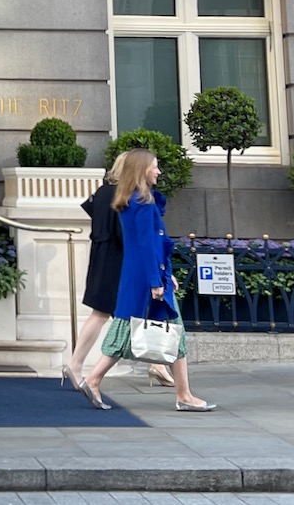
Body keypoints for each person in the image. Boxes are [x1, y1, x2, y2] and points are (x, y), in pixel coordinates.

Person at [79, 147, 217, 412]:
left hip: (136, 276)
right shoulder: (143, 203)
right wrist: (158, 281)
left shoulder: (130, 200)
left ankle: (94, 379)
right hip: (147, 278)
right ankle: (184, 395)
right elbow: (148, 244)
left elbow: (146, 245)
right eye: (155, 166)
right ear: (142, 170)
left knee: (125, 331)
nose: (159, 171)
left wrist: (163, 274)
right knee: (175, 332)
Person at [62, 151, 174, 390]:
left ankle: (157, 365)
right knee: (119, 314)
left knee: (107, 314)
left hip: (101, 256)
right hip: (121, 260)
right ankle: (78, 365)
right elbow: (133, 236)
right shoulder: (127, 196)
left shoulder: (102, 192)